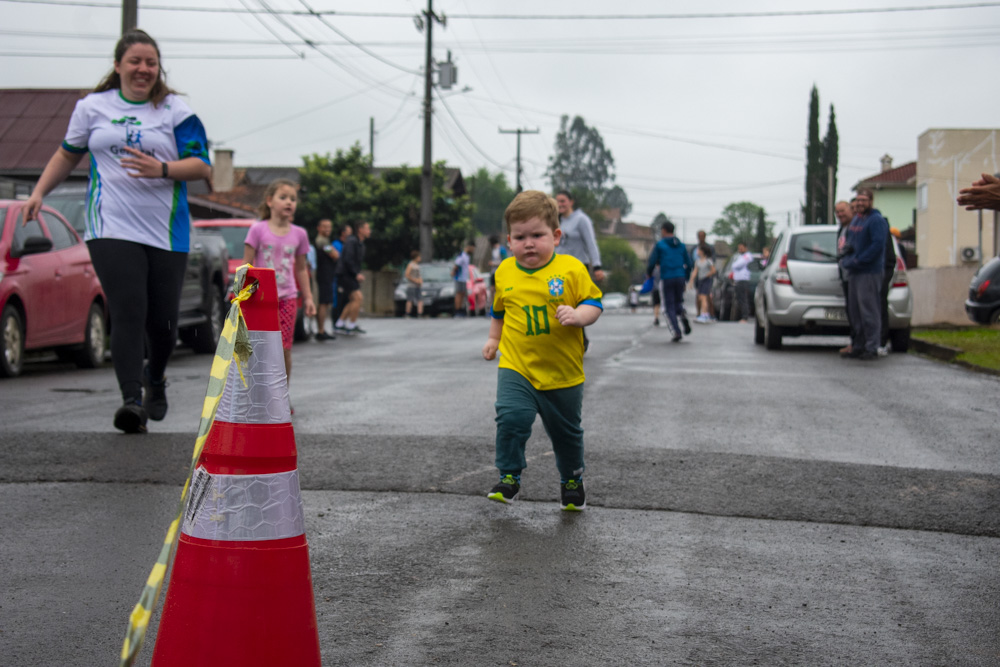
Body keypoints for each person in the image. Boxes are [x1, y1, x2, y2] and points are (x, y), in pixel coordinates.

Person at [24, 29, 211, 434]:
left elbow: (202, 167)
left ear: (158, 68)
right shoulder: (92, 108)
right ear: (118, 66)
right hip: (110, 226)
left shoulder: (175, 111)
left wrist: (161, 168)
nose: (143, 69)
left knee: (162, 323)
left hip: (166, 231)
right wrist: (39, 192)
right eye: (135, 61)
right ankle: (132, 400)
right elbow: (66, 154)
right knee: (128, 311)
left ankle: (156, 377)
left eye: (151, 62)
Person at [482, 190, 603, 511]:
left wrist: (579, 316)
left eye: (538, 235)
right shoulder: (505, 271)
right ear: (509, 241)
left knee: (566, 434)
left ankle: (572, 480)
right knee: (511, 418)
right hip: (517, 365)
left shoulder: (571, 269)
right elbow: (499, 311)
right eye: (520, 237)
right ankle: (509, 476)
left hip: (562, 373)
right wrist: (494, 340)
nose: (529, 243)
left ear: (557, 236)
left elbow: (594, 302)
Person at [243, 179, 317, 392]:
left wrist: (309, 297)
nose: (289, 202)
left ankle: (281, 396)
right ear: (269, 201)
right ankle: (258, 394)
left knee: (284, 349)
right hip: (259, 299)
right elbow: (246, 265)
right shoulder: (257, 230)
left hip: (287, 298)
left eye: (293, 199)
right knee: (259, 348)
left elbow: (302, 269)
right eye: (283, 197)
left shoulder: (299, 234)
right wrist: (241, 294)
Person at [840, 188, 888, 361]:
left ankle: (872, 346)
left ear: (870, 201)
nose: (860, 203)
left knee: (869, 311)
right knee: (856, 312)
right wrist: (846, 254)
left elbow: (877, 246)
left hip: (869, 272)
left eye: (863, 200)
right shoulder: (857, 221)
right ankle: (858, 345)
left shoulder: (876, 220)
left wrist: (859, 260)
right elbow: (851, 243)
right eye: (858, 200)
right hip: (854, 272)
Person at [646, 221, 692, 342]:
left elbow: (652, 261)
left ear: (664, 230)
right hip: (680, 276)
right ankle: (681, 313)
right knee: (679, 301)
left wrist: (649, 273)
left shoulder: (660, 245)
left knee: (668, 306)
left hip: (667, 277)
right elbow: (689, 263)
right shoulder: (681, 245)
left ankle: (676, 331)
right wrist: (686, 276)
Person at [334, 221, 371, 334]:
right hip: (345, 274)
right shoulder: (352, 241)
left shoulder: (360, 244)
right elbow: (348, 260)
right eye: (367, 228)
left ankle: (340, 324)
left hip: (350, 275)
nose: (369, 231)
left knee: (354, 299)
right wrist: (356, 274)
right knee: (358, 298)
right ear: (360, 230)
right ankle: (351, 325)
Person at [834, 200, 856, 357]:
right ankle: (855, 343)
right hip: (846, 276)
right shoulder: (842, 228)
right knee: (852, 312)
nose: (840, 214)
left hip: (855, 274)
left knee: (859, 312)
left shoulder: (855, 227)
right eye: (837, 212)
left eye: (843, 211)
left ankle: (861, 344)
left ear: (851, 210)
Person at [313, 219, 339, 340]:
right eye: (325, 227)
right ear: (319, 228)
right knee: (323, 303)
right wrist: (334, 252)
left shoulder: (325, 242)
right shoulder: (322, 242)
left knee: (326, 302)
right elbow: (335, 255)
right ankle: (321, 330)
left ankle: (322, 329)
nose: (327, 229)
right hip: (323, 276)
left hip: (327, 275)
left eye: (329, 226)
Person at [329, 224, 352, 326]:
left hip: (346, 277)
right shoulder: (335, 244)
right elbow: (336, 256)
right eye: (349, 231)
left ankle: (342, 322)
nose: (351, 233)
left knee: (346, 299)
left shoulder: (347, 244)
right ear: (343, 233)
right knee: (337, 299)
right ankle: (336, 322)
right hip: (336, 276)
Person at [689, 244, 717, 323]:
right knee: (700, 297)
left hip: (706, 280)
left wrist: (706, 275)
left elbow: (713, 270)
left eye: (698, 250)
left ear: (702, 251)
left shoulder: (708, 261)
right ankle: (704, 313)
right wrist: (691, 281)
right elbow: (695, 271)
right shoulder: (697, 262)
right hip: (700, 280)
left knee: (704, 297)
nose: (697, 251)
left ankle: (705, 314)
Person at [729, 242, 754, 323]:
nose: (740, 249)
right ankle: (741, 316)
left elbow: (736, 265)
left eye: (741, 248)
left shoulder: (747, 256)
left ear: (745, 248)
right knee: (739, 299)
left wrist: (734, 265)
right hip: (738, 280)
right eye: (739, 248)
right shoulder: (740, 256)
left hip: (743, 280)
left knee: (743, 299)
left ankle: (745, 317)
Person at [452, 242, 474, 317]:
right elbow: (456, 265)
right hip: (459, 278)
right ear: (469, 247)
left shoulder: (467, 256)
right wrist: (453, 272)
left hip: (464, 278)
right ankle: (457, 310)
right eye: (472, 248)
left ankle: (461, 309)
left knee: (462, 294)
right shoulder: (462, 255)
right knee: (459, 294)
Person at [404, 250, 424, 317]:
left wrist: (420, 281)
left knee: (420, 299)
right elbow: (407, 274)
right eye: (419, 257)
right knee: (410, 299)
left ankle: (420, 313)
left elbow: (419, 275)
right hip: (411, 285)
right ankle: (408, 313)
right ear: (416, 257)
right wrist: (415, 280)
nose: (420, 258)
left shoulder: (417, 265)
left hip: (418, 285)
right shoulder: (411, 265)